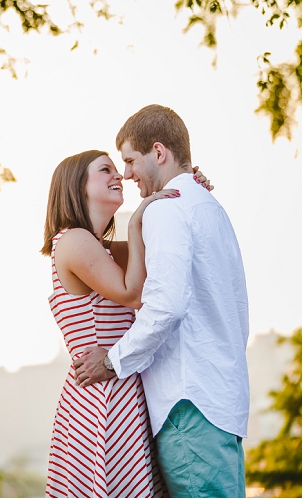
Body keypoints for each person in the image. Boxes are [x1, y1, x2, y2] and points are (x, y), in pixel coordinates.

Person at [73, 105, 250, 498]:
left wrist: (111, 360)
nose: (127, 173)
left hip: (188, 403)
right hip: (220, 400)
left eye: (131, 160)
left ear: (159, 152)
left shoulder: (166, 208)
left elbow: (165, 305)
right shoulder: (208, 207)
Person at [41, 149, 179, 497]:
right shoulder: (73, 240)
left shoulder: (98, 247)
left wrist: (187, 184)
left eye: (119, 170)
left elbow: (154, 246)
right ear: (77, 186)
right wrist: (135, 220)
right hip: (104, 397)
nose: (118, 176)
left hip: (117, 383)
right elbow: (132, 294)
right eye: (106, 170)